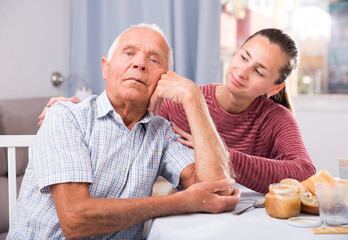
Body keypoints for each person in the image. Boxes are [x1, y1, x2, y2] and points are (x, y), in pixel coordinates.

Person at [8, 23, 240, 239]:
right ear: (105, 68)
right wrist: (182, 202)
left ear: (166, 81)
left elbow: (218, 192)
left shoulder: (162, 134)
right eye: (129, 53)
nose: (139, 64)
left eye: (154, 60)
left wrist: (193, 97)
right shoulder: (66, 115)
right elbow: (75, 219)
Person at [41, 28, 316, 195]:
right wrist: (77, 107)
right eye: (243, 57)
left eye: (258, 70)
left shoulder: (277, 118)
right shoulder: (176, 104)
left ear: (274, 87)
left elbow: (303, 171)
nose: (242, 72)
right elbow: (126, 106)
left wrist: (221, 154)